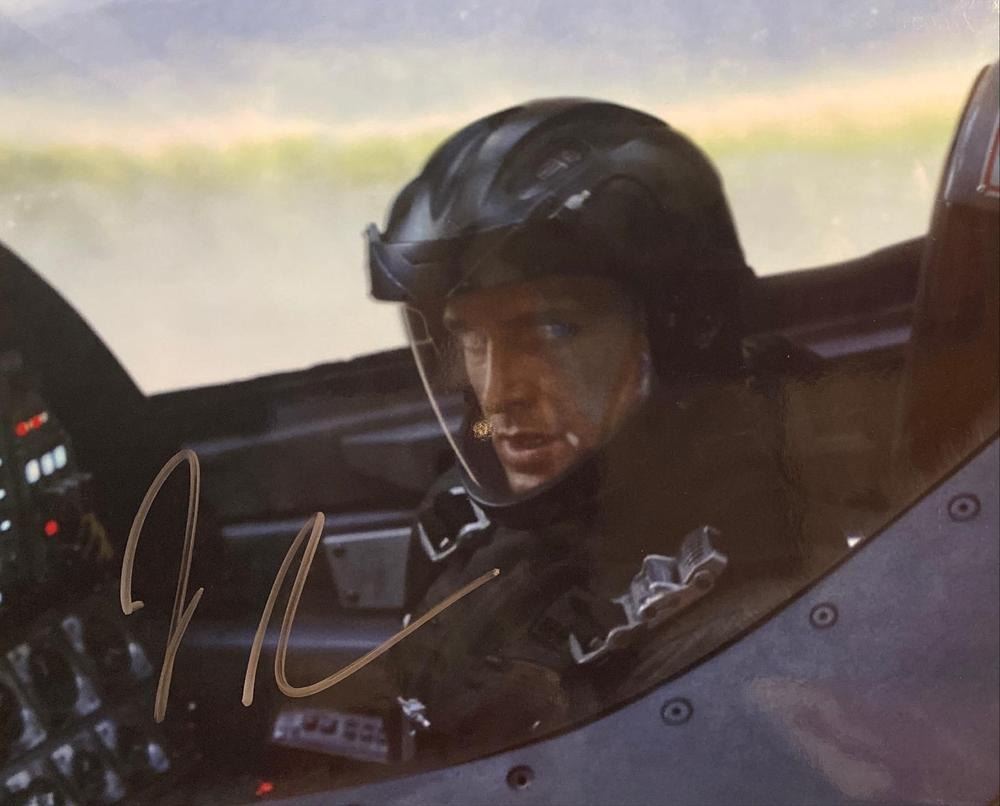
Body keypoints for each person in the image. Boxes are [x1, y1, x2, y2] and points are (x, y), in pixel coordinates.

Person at [364, 98, 809, 757]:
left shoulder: (771, 591)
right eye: (472, 341)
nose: (499, 394)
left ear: (686, 327)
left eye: (552, 329)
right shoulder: (463, 524)